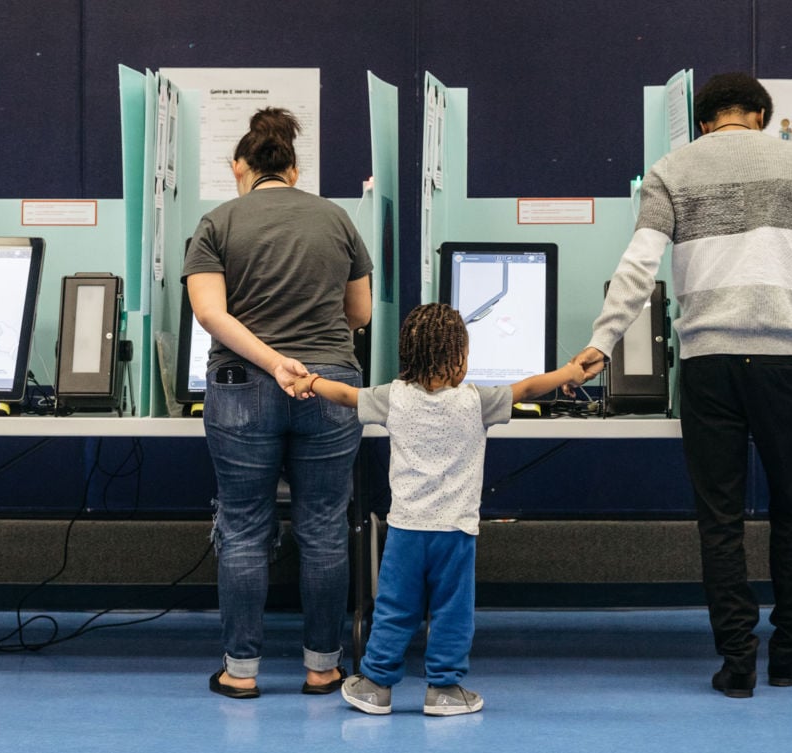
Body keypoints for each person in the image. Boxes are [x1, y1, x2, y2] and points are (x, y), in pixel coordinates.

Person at [567, 72, 792, 699]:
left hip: (707, 363)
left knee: (719, 518)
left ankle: (737, 662)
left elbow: (638, 268)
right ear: (760, 115)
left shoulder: (672, 169)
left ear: (703, 120)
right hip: (782, 359)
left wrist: (602, 342)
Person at [291, 303, 585, 716]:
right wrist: (570, 373)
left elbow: (345, 395)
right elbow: (530, 388)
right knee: (452, 613)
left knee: (394, 608)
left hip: (407, 531)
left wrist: (311, 380)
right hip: (457, 533)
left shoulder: (393, 398)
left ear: (408, 356)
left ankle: (375, 685)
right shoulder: (476, 401)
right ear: (461, 357)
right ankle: (444, 691)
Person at [183, 107, 373, 699]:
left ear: (239, 166)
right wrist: (300, 360)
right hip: (330, 386)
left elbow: (210, 313)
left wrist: (271, 361)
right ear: (294, 169)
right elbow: (360, 314)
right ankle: (322, 668)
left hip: (243, 387)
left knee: (242, 528)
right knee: (322, 526)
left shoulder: (217, 222)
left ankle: (240, 672)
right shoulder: (336, 219)